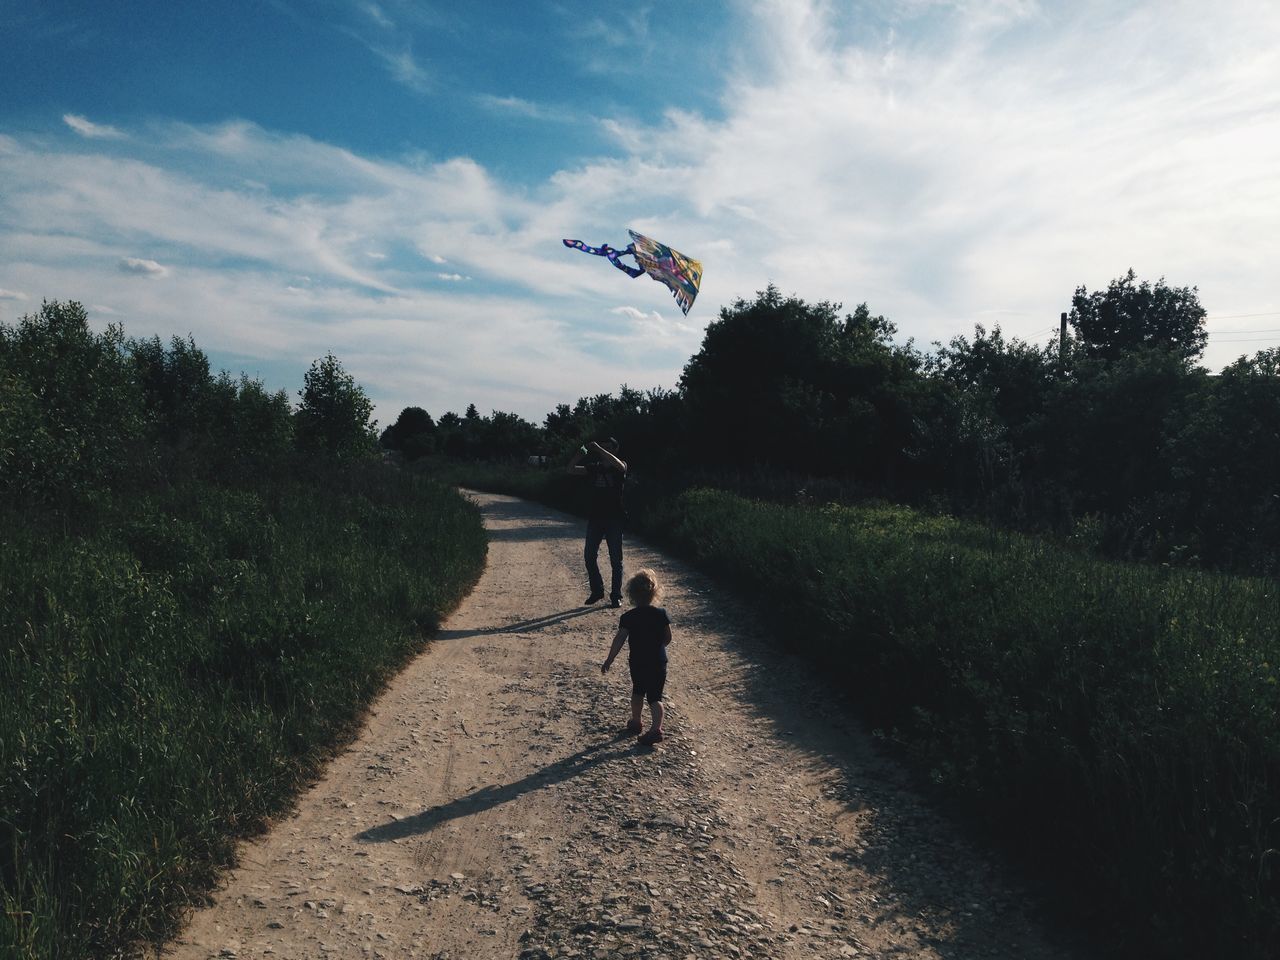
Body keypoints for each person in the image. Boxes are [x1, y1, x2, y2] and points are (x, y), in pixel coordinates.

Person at [601, 569, 671, 745]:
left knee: (638, 692)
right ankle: (656, 729)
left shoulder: (628, 617)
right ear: (655, 592)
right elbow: (668, 638)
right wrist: (659, 646)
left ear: (631, 594)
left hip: (638, 662)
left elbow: (619, 639)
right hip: (659, 662)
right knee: (655, 697)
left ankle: (636, 721)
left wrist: (610, 659)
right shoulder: (661, 614)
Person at [568, 437, 628, 607]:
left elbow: (621, 466)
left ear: (615, 450)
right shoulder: (595, 468)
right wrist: (581, 453)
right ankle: (597, 590)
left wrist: (599, 449)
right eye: (603, 447)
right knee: (589, 556)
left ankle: (616, 595)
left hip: (614, 518)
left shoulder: (620, 465)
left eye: (609, 448)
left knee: (616, 559)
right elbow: (571, 469)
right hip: (595, 517)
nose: (604, 450)